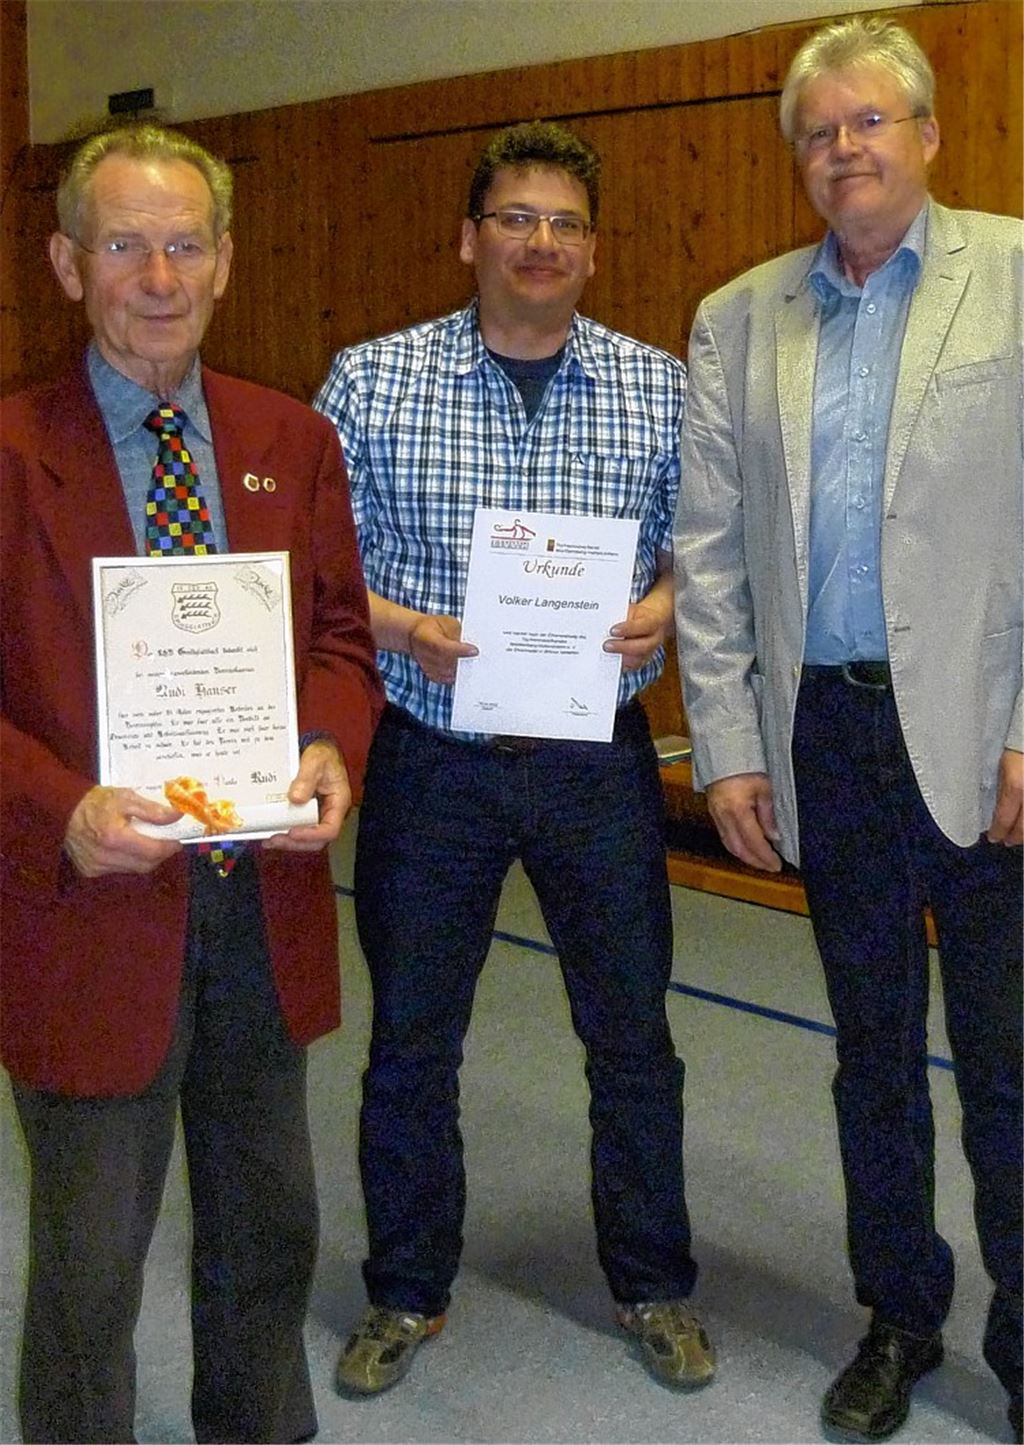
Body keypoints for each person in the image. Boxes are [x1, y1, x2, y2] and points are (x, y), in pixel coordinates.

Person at [314, 119, 714, 1398]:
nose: (541, 242)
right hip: (437, 758)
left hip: (595, 759)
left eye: (565, 224)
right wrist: (403, 629)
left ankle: (652, 1280)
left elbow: (702, 551)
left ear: (591, 251)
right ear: (469, 237)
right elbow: (323, 573)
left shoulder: (661, 387)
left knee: (633, 1037)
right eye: (517, 218)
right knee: (412, 1045)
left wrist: (665, 604)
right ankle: (404, 1286)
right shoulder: (371, 382)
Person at [0, 123, 383, 1444]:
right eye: (123, 244)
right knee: (92, 1273)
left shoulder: (291, 438)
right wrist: (63, 808)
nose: (156, 274)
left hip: (256, 904)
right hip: (89, 911)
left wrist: (330, 743)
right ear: (66, 261)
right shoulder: (8, 452)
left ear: (222, 260)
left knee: (267, 1233)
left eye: (183, 244)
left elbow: (338, 636)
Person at [673, 17, 1022, 1443]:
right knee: (870, 1052)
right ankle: (899, 1317)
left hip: (991, 741)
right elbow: (709, 549)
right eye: (818, 133)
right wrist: (726, 741)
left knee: (1009, 1064)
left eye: (870, 122)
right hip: (828, 741)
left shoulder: (1015, 274)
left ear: (929, 136)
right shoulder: (740, 316)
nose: (843, 150)